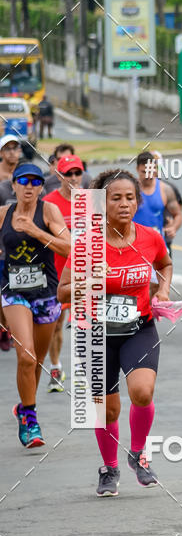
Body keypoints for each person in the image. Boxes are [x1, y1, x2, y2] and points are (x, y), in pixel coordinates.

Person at [57, 169, 173, 496]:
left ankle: (138, 454)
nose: (124, 204)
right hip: (96, 335)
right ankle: (109, 468)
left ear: (138, 201)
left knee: (142, 392)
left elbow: (164, 264)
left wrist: (162, 290)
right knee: (107, 409)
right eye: (116, 198)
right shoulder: (86, 245)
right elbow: (63, 293)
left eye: (130, 197)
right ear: (101, 204)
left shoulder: (151, 237)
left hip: (139, 327)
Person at [0, 163, 70, 447]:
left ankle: (23, 408)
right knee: (26, 357)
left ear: (41, 187)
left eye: (35, 182)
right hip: (13, 291)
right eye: (23, 181)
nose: (29, 186)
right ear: (14, 185)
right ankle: (31, 418)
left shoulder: (49, 212)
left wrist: (36, 231)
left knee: (37, 361)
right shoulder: (3, 214)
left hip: (46, 293)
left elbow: (69, 247)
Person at [43, 155, 86, 392]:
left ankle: (91, 371)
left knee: (90, 326)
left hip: (87, 273)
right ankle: (56, 366)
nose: (73, 178)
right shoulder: (49, 202)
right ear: (58, 176)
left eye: (77, 173)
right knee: (57, 324)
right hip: (57, 274)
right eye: (68, 173)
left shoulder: (90, 201)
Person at [0, 134, 24, 349]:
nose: (11, 152)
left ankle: (11, 327)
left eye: (15, 148)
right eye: (7, 148)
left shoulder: (26, 175)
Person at [133, 151, 182, 243]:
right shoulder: (129, 189)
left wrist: (173, 227)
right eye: (144, 172)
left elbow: (178, 214)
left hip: (157, 245)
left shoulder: (165, 189)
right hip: (134, 245)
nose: (148, 175)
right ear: (137, 169)